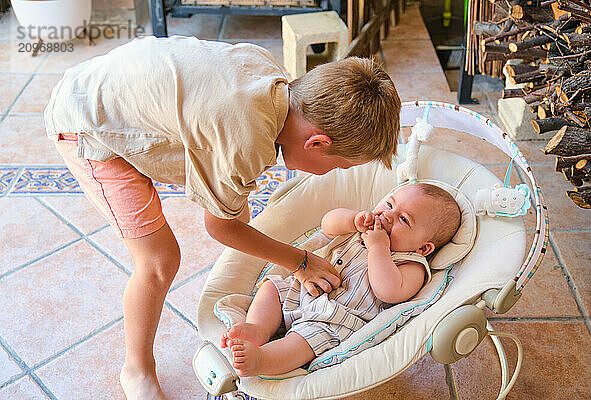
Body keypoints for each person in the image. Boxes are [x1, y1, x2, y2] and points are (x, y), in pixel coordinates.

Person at [44, 35, 401, 399]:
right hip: (88, 126)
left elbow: (222, 163)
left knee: (233, 203)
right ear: (317, 143)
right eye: (338, 165)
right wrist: (300, 261)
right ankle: (136, 370)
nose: (330, 173)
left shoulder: (272, 79)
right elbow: (219, 226)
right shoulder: (246, 138)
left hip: (108, 84)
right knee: (159, 260)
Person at [220, 183, 461, 377]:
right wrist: (353, 219)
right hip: (305, 289)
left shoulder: (411, 264)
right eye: (389, 204)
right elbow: (327, 224)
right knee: (272, 287)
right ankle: (259, 328)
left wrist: (378, 248)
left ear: (424, 248)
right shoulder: (363, 227)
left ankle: (263, 360)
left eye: (403, 220)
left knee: (303, 341)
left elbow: (389, 291)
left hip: (335, 318)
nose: (387, 215)